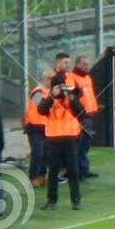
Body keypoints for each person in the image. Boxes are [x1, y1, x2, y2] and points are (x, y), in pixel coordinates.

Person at [37, 69, 85, 211]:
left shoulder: (70, 96)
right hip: (54, 138)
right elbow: (41, 110)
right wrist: (52, 96)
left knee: (73, 170)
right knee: (53, 171)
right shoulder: (48, 97)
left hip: (70, 137)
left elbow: (82, 113)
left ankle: (76, 200)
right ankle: (52, 200)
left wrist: (71, 98)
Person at [70, 55, 100, 180]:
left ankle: (84, 169)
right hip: (81, 116)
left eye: (87, 64)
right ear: (77, 64)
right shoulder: (73, 78)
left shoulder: (87, 77)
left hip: (90, 114)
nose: (86, 66)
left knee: (86, 144)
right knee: (80, 144)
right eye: (84, 64)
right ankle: (78, 171)